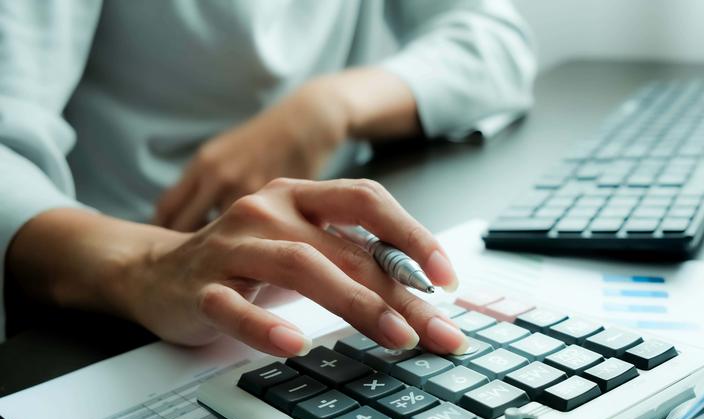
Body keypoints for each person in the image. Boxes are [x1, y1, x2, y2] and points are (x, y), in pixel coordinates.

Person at [0, 1, 535, 356]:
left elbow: (493, 39)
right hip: (115, 285)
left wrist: (330, 107)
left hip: (315, 270)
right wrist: (144, 265)